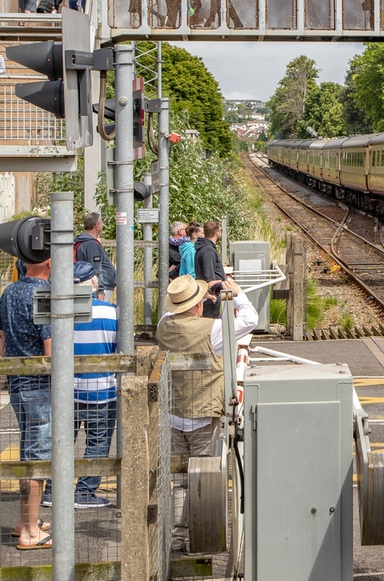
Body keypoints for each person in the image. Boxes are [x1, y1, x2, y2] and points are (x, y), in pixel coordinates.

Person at [156, 275, 257, 553]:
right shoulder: (212, 330)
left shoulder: (164, 326)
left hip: (173, 413)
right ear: (198, 305)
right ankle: (201, 538)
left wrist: (197, 292)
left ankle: (177, 538)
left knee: (179, 481)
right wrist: (236, 293)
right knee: (202, 477)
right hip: (203, 413)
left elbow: (169, 313)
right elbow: (250, 319)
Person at [0, 254, 53, 548]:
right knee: (38, 457)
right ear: (49, 262)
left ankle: (26, 521)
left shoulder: (10, 291)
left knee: (28, 451)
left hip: (16, 380)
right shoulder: (43, 293)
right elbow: (50, 346)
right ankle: (31, 531)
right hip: (39, 384)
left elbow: (2, 336)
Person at [66, 262, 117, 509]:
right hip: (101, 389)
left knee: (64, 440)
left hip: (67, 389)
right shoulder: (112, 313)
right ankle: (85, 491)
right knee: (98, 442)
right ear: (94, 283)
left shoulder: (61, 311)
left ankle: (53, 489)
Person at [74, 213, 117, 301]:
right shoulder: (91, 244)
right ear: (97, 226)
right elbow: (96, 268)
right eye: (101, 223)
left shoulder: (83, 241)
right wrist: (100, 290)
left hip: (92, 285)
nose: (102, 226)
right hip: (99, 287)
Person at [194, 221, 225, 286]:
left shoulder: (203, 248)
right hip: (211, 291)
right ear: (217, 233)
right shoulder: (208, 251)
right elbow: (210, 280)